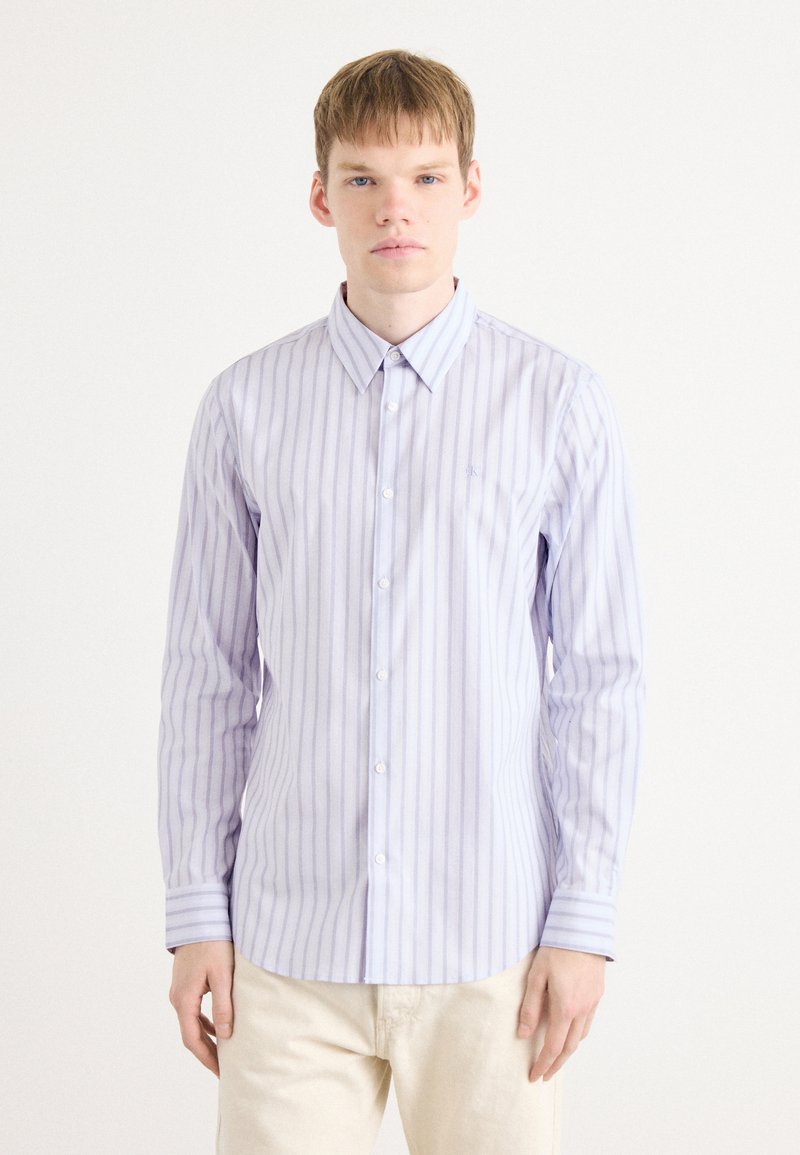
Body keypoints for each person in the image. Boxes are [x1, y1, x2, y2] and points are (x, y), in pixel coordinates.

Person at [157, 48, 646, 1154]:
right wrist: (195, 910)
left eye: (425, 177)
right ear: (320, 195)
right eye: (364, 178)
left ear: (470, 188)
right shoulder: (244, 407)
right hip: (288, 950)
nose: (395, 208)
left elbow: (601, 678)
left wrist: (584, 918)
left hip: (492, 952)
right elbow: (207, 676)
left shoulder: (557, 404)